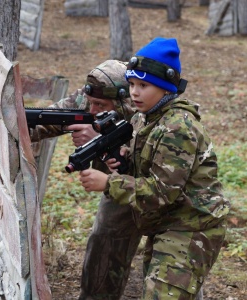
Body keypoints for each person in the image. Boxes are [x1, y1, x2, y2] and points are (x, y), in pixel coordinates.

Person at [78, 37, 230, 299]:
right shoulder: (144, 118)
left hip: (192, 225)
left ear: (166, 88)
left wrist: (108, 183)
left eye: (144, 85)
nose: (135, 92)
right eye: (133, 84)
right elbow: (151, 165)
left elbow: (161, 192)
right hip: (167, 220)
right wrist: (126, 158)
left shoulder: (177, 128)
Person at [30, 59, 135, 149]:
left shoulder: (143, 112)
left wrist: (101, 142)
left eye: (101, 105)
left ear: (122, 105)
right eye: (90, 102)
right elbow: (46, 120)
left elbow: (144, 166)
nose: (92, 110)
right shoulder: (90, 96)